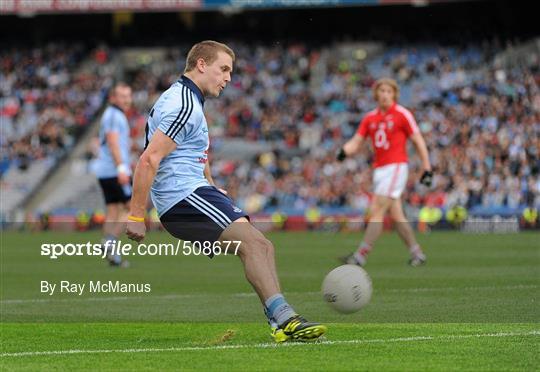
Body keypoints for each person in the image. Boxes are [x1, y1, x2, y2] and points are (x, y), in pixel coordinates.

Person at [125, 41, 326, 343]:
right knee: (254, 247)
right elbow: (149, 159)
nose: (228, 78)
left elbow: (191, 152)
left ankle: (279, 320)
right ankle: (285, 319)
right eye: (224, 69)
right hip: (182, 198)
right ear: (202, 65)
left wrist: (210, 183)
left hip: (192, 192)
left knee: (263, 246)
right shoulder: (184, 104)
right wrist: (135, 215)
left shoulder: (187, 99)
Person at [337, 78, 432, 266]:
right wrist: (343, 151)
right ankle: (417, 254)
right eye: (382, 91)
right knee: (397, 216)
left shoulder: (402, 114)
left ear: (394, 94)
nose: (385, 95)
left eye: (389, 91)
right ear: (376, 94)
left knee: (377, 209)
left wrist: (426, 166)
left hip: (396, 167)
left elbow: (418, 139)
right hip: (380, 169)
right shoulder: (370, 118)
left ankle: (360, 256)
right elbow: (356, 141)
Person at [93, 82, 133, 267]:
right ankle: (110, 240)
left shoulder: (113, 115)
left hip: (105, 170)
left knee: (113, 210)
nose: (126, 100)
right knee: (133, 209)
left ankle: (113, 256)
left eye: (128, 96)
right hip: (114, 170)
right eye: (122, 96)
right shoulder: (114, 115)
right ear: (113, 98)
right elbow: (112, 141)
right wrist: (121, 168)